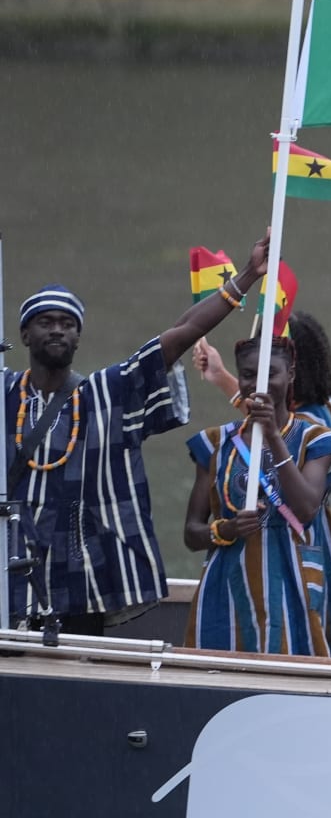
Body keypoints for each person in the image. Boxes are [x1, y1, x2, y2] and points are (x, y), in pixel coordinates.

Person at [1, 231, 269, 635]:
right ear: (23, 335)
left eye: (66, 323)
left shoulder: (106, 394)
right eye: (45, 322)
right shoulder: (4, 394)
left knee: (77, 680)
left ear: (77, 338)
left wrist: (248, 275)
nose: (57, 330)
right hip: (8, 570)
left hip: (81, 577)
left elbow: (178, 337)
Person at [181, 336, 331, 654]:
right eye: (248, 375)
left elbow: (305, 509)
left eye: (270, 374)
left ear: (291, 375)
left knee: (296, 680)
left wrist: (273, 435)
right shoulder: (216, 443)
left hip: (293, 584)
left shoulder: (315, 439)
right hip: (228, 589)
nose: (258, 384)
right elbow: (192, 533)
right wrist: (226, 530)